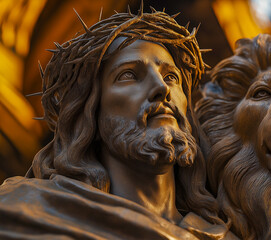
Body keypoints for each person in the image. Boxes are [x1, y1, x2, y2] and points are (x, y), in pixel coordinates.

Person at [0, 5, 234, 240]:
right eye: (129, 75)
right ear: (91, 112)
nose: (162, 88)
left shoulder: (220, 237)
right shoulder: (29, 209)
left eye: (171, 77)